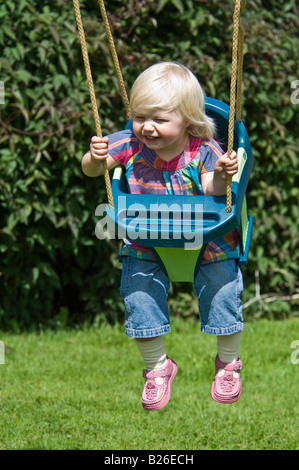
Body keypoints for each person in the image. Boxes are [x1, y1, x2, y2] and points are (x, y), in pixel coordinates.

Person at [82, 62, 244, 410]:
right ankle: (157, 368)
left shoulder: (203, 150)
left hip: (204, 238)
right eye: (140, 117)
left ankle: (228, 363)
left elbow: (212, 189)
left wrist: (222, 175)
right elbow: (94, 168)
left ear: (187, 119)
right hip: (147, 239)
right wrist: (94, 159)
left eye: (158, 119)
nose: (146, 127)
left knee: (223, 290)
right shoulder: (129, 144)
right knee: (138, 296)